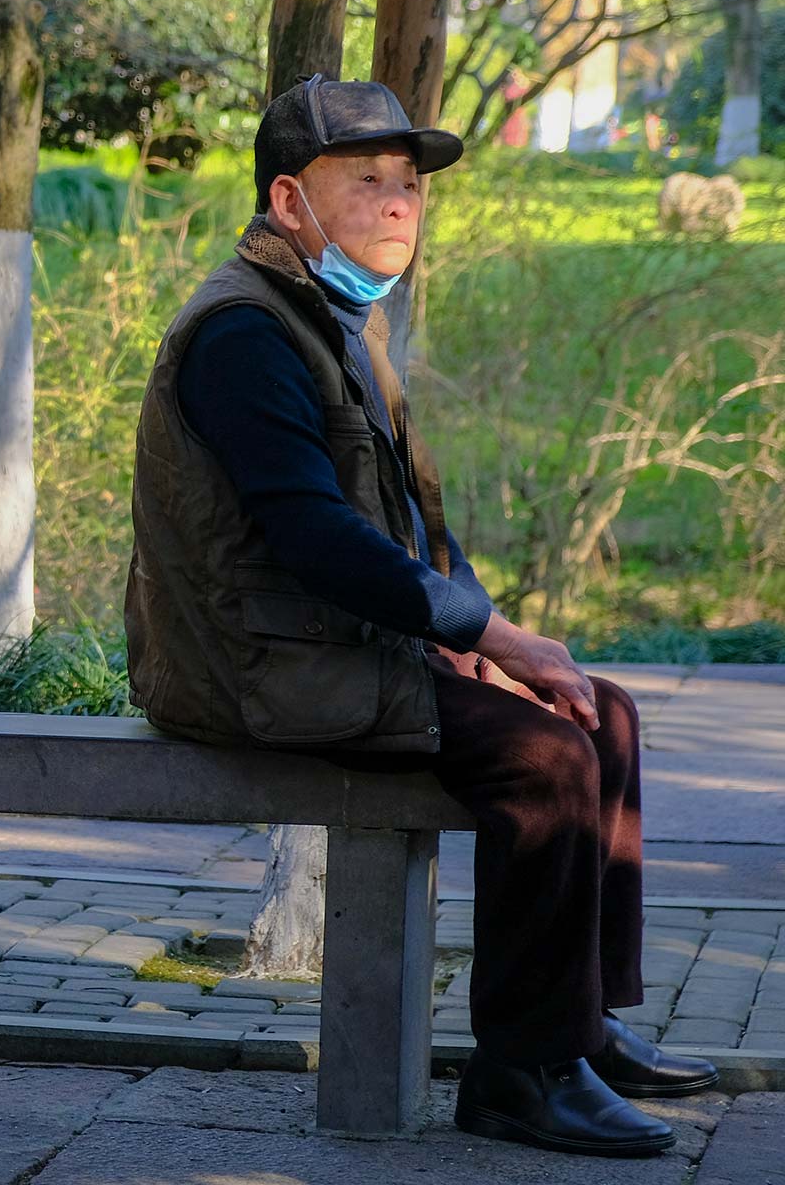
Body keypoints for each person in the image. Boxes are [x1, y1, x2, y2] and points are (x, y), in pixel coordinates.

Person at [123, 74, 718, 1158]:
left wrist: (482, 638)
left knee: (602, 713)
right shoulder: (244, 334)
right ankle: (521, 1075)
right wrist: (482, 634)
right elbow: (314, 539)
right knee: (545, 760)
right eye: (370, 181)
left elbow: (403, 524)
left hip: (337, 645)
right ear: (289, 200)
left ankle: (581, 1026)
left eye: (410, 183)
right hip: (252, 668)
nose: (402, 202)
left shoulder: (337, 321)